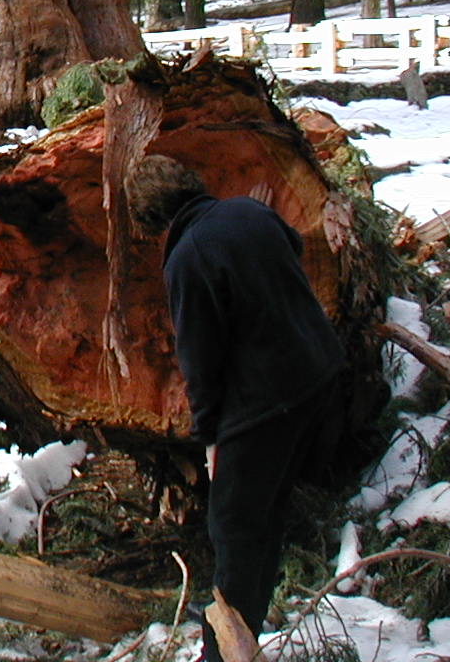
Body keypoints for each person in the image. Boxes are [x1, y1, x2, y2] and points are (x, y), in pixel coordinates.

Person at [126, 154, 345, 662]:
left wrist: (212, 439)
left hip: (266, 405)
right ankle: (248, 632)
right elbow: (292, 248)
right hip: (319, 376)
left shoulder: (187, 257)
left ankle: (223, 653)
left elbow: (199, 359)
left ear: (154, 220)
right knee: (265, 519)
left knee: (235, 530)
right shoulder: (250, 213)